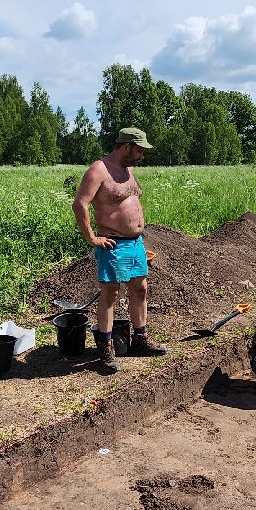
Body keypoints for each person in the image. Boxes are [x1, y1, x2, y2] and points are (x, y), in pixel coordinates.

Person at [72, 127, 167, 373]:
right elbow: (80, 203)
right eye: (139, 150)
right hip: (113, 243)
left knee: (140, 289)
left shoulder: (128, 170)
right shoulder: (99, 170)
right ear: (126, 146)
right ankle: (105, 348)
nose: (142, 156)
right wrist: (92, 237)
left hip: (135, 243)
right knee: (111, 294)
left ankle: (140, 341)